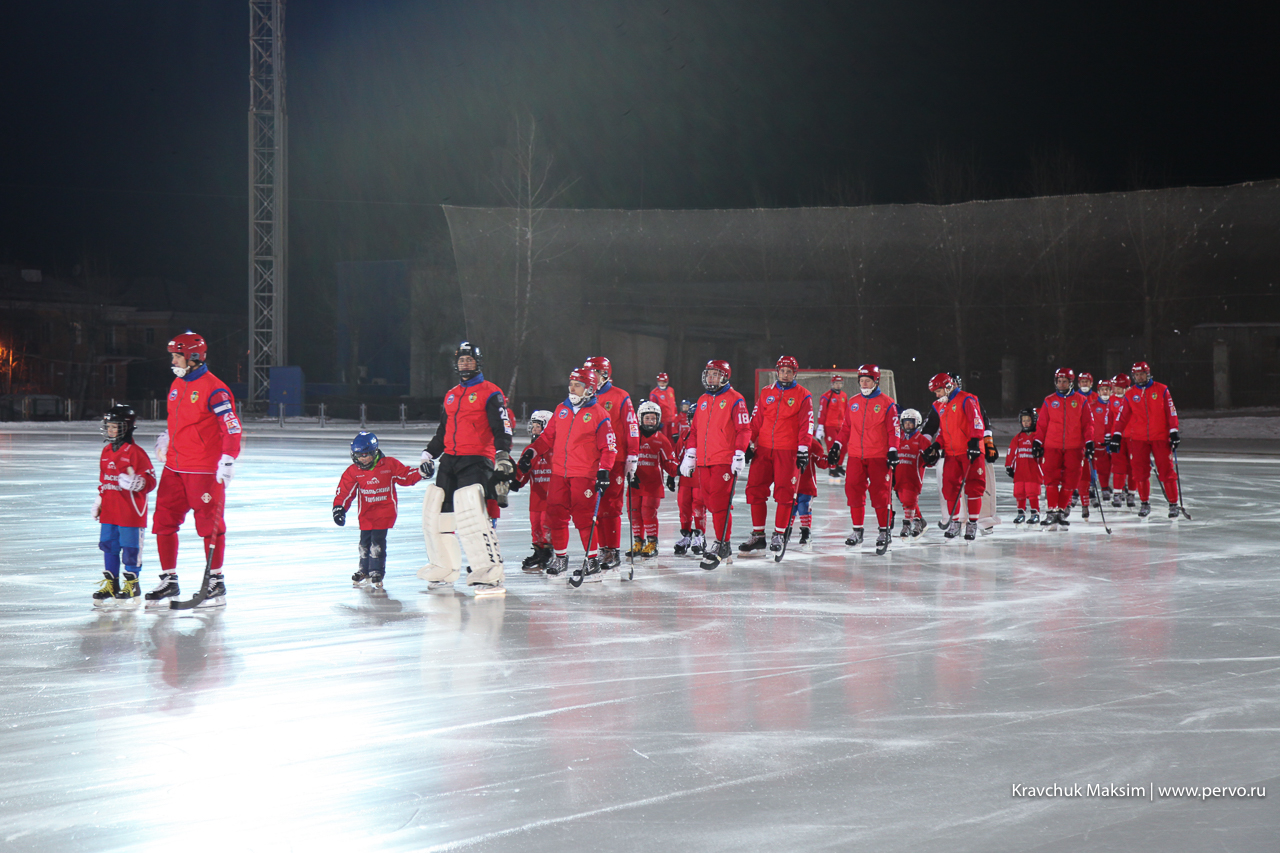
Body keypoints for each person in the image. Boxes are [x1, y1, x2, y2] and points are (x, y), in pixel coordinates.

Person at [147, 331, 243, 608]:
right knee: (163, 522)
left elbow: (231, 426)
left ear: (194, 357)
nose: (174, 361)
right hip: (174, 466)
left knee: (209, 526)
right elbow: (179, 421)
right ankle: (169, 579)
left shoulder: (215, 389)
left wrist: (227, 457)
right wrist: (168, 436)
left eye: (178, 356)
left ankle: (215, 582)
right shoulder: (177, 384)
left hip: (202, 470)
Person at [419, 341, 513, 596]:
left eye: (469, 360)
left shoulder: (491, 392)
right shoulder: (451, 394)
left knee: (473, 516)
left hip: (476, 459)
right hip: (449, 459)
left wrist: (503, 453)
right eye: (461, 360)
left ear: (478, 362)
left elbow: (502, 427)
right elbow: (443, 431)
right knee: (438, 515)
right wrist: (429, 453)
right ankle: (444, 567)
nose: (465, 364)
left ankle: (489, 572)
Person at [519, 367, 618, 582]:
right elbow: (546, 438)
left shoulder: (600, 414)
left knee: (584, 518)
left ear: (590, 389)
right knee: (555, 515)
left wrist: (604, 470)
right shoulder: (561, 409)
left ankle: (592, 560)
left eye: (578, 385)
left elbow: (609, 447)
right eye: (571, 384)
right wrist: (531, 452)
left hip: (584, 474)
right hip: (559, 474)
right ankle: (561, 558)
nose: (572, 388)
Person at [679, 359, 751, 570]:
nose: (711, 378)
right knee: (710, 502)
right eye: (708, 373)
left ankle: (722, 543)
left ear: (724, 376)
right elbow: (695, 431)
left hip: (723, 461)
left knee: (719, 504)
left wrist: (739, 453)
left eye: (715, 374)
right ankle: (722, 543)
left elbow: (744, 429)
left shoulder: (735, 399)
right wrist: (691, 453)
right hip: (704, 461)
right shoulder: (702, 400)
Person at [741, 355, 814, 555]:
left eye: (789, 371)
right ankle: (758, 535)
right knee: (755, 490)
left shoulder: (803, 395)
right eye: (782, 370)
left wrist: (803, 449)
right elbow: (755, 420)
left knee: (784, 493)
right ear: (777, 371)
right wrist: (748, 442)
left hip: (787, 451)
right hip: (763, 449)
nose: (785, 374)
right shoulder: (766, 392)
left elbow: (806, 425)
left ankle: (779, 534)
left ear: (795, 373)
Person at [333, 431, 423, 590]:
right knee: (364, 544)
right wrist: (339, 508)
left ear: (374, 452)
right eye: (358, 455)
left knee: (377, 543)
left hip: (384, 513)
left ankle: (377, 571)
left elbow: (405, 476)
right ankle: (364, 570)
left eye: (365, 455)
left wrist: (421, 473)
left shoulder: (388, 465)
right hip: (366, 514)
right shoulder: (354, 471)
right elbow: (345, 491)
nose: (362, 458)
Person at [827, 364, 900, 555]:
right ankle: (857, 530)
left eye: (868, 380)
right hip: (856, 456)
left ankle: (884, 531)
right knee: (853, 491)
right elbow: (846, 428)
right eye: (861, 381)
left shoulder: (887, 403)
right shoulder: (853, 401)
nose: (864, 384)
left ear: (876, 381)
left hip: (878, 456)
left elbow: (894, 430)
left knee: (880, 494)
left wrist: (893, 450)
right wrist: (836, 445)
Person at [93, 404, 157, 608]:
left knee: (130, 549)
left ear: (127, 427)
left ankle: (132, 584)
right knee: (109, 547)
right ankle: (111, 584)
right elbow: (104, 479)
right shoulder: (105, 451)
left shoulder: (135, 452)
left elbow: (151, 480)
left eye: (115, 427)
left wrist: (139, 482)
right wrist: (100, 499)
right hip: (110, 511)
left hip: (130, 512)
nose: (111, 431)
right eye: (108, 426)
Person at [583, 356, 639, 571]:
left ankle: (612, 550)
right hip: (591, 460)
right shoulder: (585, 396)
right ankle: (599, 549)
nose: (590, 377)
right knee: (593, 505)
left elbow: (631, 426)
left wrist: (632, 454)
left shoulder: (620, 396)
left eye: (594, 372)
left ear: (604, 374)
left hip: (615, 459)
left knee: (610, 506)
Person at [1109, 360, 1181, 519]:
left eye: (1142, 374)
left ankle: (1173, 504)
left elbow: (1171, 411)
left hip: (1160, 437)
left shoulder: (1161, 390)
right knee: (1140, 472)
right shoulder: (1130, 394)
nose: (1139, 377)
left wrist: (1174, 431)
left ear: (1148, 374)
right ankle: (1144, 502)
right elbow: (1122, 417)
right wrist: (1116, 434)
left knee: (1166, 471)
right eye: (1136, 375)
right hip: (1138, 438)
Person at [922, 372, 986, 541]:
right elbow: (944, 430)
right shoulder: (940, 405)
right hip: (951, 453)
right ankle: (955, 521)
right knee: (949, 488)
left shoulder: (967, 399)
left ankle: (972, 522)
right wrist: (937, 444)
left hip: (970, 451)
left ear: (948, 387)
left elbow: (976, 421)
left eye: (938, 391)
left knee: (974, 486)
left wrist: (975, 441)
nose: (937, 395)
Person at [1032, 367, 1095, 529]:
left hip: (1074, 447)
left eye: (1064, 381)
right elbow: (1042, 424)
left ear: (1070, 382)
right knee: (1051, 480)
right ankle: (1051, 511)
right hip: (1053, 446)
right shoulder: (1049, 400)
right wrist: (1038, 442)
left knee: (1071, 481)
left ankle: (1061, 510)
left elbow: (1088, 424)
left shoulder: (1081, 400)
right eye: (1059, 381)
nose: (1061, 384)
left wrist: (1089, 442)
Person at [627, 401, 680, 558]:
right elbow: (626, 458)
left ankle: (652, 542)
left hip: (653, 485)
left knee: (648, 512)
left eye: (653, 418)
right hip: (635, 483)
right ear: (640, 418)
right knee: (634, 512)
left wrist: (676, 472)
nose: (650, 422)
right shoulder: (633, 438)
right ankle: (638, 541)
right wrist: (629, 473)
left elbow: (669, 461)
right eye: (647, 418)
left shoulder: (661, 440)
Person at [511, 410, 554, 573]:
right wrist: (516, 480)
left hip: (550, 498)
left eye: (538, 427)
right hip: (536, 498)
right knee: (535, 525)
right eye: (534, 426)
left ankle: (548, 552)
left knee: (546, 526)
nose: (535, 430)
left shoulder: (555, 449)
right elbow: (523, 473)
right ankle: (538, 551)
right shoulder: (530, 450)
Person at [670, 400, 708, 556]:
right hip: (685, 479)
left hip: (700, 479)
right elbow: (677, 455)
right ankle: (686, 535)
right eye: (692, 418)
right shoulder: (685, 435)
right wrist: (672, 474)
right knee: (684, 506)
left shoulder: (708, 436)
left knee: (698, 506)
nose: (694, 422)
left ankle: (699, 535)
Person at [894, 408, 928, 538]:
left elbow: (930, 457)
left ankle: (907, 524)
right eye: (905, 422)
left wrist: (930, 458)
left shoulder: (921, 439)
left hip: (913, 476)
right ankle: (919, 521)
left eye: (911, 422)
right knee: (903, 499)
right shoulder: (898, 438)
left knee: (909, 500)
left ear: (917, 423)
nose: (908, 425)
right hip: (900, 475)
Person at [1006, 408, 1043, 525]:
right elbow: (1011, 451)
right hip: (1020, 471)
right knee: (1019, 492)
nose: (1026, 423)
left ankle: (1035, 513)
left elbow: (1044, 453)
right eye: (1024, 420)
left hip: (1033, 472)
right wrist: (1009, 466)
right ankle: (1021, 513)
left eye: (1028, 420)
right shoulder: (1018, 437)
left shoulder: (1037, 437)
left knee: (1032, 493)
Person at [1082, 378, 1113, 509]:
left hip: (1112, 442)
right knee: (1096, 468)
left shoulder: (1116, 404)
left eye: (1107, 389)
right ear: (1098, 391)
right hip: (1097, 443)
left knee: (1113, 467)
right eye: (1102, 390)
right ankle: (1094, 488)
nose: (1105, 392)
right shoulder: (1092, 406)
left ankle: (1119, 488)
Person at [794, 434, 829, 550]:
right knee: (789, 506)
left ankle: (806, 532)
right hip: (789, 482)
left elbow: (820, 460)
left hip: (806, 482)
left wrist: (830, 459)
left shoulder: (811, 443)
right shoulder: (785, 439)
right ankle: (784, 531)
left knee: (804, 505)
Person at [1107, 373, 1136, 508]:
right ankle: (1117, 493)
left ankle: (1131, 493)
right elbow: (1109, 419)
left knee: (1133, 467)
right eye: (1115, 388)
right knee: (1118, 465)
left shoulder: (1134, 398)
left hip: (1132, 437)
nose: (1117, 391)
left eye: (1120, 388)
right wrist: (1109, 435)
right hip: (1118, 437)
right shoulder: (1112, 400)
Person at [816, 374, 848, 481]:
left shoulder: (844, 395)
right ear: (832, 384)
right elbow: (822, 412)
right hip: (830, 426)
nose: (838, 385)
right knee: (832, 448)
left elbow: (846, 411)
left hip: (842, 426)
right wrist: (820, 426)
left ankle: (838, 466)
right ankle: (832, 468)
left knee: (844, 448)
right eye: (836, 383)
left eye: (840, 383)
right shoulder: (826, 396)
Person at [650, 372, 679, 440]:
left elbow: (674, 404)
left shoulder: (671, 390)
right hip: (663, 421)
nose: (662, 384)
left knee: (673, 439)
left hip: (672, 420)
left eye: (664, 382)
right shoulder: (654, 393)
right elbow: (653, 409)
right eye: (660, 382)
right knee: (663, 439)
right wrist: (657, 421)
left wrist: (676, 416)